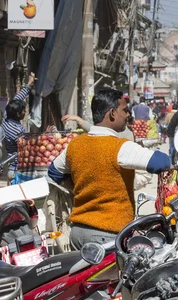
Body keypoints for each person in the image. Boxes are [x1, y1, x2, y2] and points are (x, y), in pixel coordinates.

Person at [48, 89, 171, 250]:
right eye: (125, 110)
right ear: (112, 113)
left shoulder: (75, 145)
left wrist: (73, 187)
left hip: (78, 233)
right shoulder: (120, 148)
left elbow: (54, 172)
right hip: (108, 235)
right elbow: (161, 162)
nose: (128, 115)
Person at [3, 72, 36, 180]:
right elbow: (29, 145)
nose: (25, 113)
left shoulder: (6, 117)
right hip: (17, 169)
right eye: (23, 111)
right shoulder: (17, 130)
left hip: (13, 168)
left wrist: (28, 86)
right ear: (18, 114)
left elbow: (17, 98)